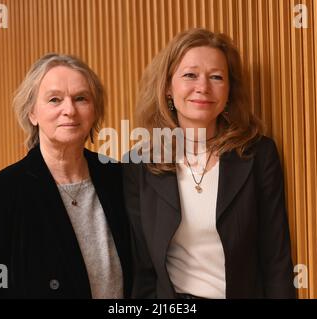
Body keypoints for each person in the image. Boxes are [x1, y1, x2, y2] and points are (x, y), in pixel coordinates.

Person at [123, 28, 295, 299]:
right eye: (190, 75)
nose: (202, 87)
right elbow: (143, 268)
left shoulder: (259, 155)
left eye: (216, 77)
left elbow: (276, 260)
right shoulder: (139, 164)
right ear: (168, 87)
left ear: (229, 90)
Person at [0, 54, 132, 298]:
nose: (69, 110)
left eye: (81, 98)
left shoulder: (119, 179)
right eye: (54, 100)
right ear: (32, 113)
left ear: (95, 110)